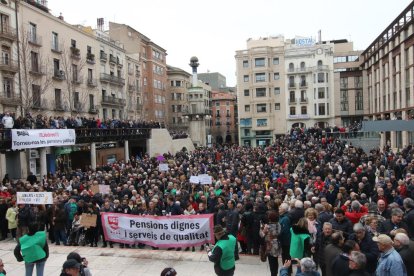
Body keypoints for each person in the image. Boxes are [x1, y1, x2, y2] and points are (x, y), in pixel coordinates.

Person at [260, 210, 281, 276]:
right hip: (276, 243)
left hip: (269, 244)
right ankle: (275, 273)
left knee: (271, 261)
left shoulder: (268, 226)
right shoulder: (278, 224)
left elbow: (262, 235)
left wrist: (263, 229)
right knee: (275, 260)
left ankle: (273, 274)